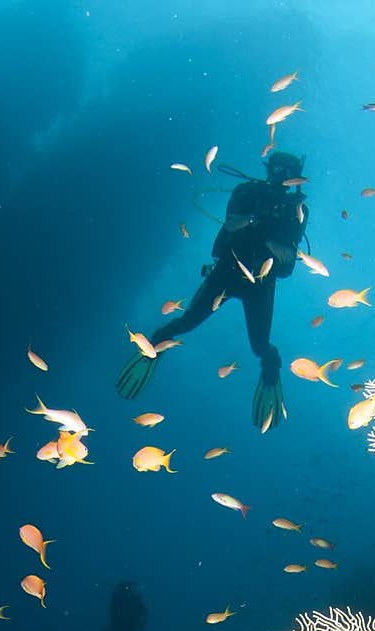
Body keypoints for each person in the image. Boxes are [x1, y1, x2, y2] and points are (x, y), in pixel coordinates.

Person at [115, 150, 308, 430]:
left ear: (296, 177)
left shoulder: (297, 209)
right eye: (276, 169)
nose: (279, 176)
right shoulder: (246, 190)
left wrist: (256, 226)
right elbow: (234, 224)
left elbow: (288, 259)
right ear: (268, 169)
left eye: (285, 171)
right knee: (186, 322)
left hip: (260, 284)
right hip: (227, 272)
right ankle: (153, 348)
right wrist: (268, 235)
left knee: (259, 346)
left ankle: (271, 371)